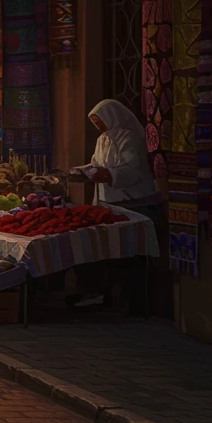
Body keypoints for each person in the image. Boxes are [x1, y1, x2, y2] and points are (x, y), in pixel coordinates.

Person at [68, 99, 166, 311]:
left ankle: (134, 301)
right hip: (110, 204)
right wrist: (83, 171)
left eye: (100, 121)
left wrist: (107, 174)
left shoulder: (130, 139)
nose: (99, 127)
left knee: (132, 254)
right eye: (95, 123)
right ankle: (105, 293)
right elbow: (96, 164)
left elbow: (133, 172)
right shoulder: (102, 140)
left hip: (134, 204)